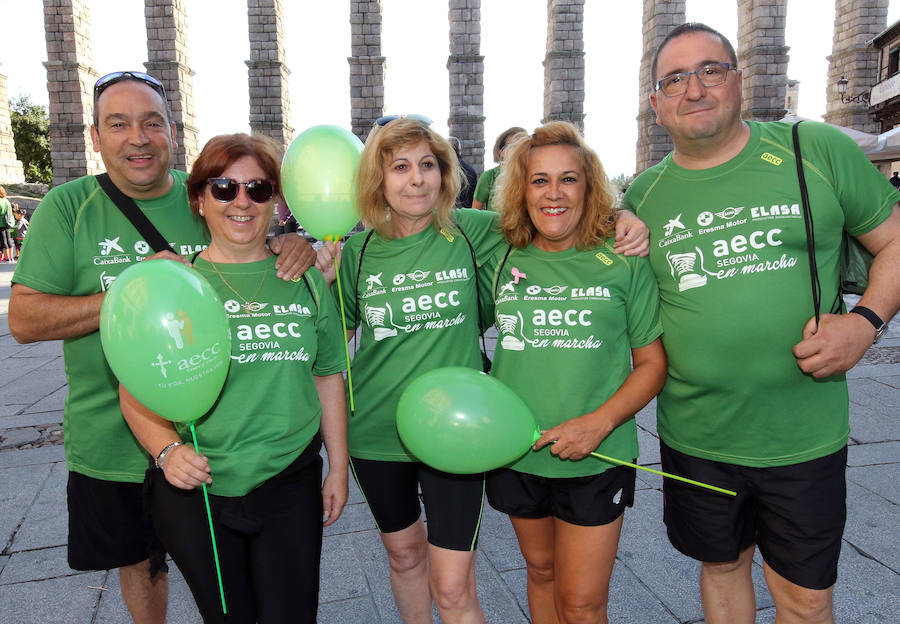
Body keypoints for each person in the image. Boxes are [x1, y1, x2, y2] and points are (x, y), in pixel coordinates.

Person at [7, 70, 315, 624]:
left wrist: (293, 242)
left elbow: (248, 239)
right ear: (95, 136)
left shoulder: (209, 190)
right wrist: (132, 297)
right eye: (118, 124)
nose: (138, 137)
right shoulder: (66, 205)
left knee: (237, 593)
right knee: (142, 570)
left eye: (152, 122)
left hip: (217, 441)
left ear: (173, 131)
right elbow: (25, 320)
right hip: (111, 439)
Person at [316, 118, 651, 624]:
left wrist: (624, 214)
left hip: (460, 431)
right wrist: (291, 251)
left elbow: (553, 212)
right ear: (377, 179)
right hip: (377, 435)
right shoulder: (353, 255)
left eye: (428, 165)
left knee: (452, 586)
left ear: (446, 175)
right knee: (404, 558)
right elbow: (328, 357)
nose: (416, 179)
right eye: (400, 167)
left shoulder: (478, 234)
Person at [623, 23, 900, 624]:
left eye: (710, 70)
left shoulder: (814, 149)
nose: (694, 89)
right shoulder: (643, 195)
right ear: (656, 105)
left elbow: (895, 241)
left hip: (801, 433)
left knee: (805, 600)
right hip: (697, 434)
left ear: (739, 81)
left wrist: (866, 322)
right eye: (675, 79)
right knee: (721, 568)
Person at [120, 133, 348, 624]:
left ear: (276, 202)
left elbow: (328, 373)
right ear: (200, 200)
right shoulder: (172, 284)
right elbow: (136, 386)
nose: (241, 202)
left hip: (289, 478)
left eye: (259, 189)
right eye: (224, 188)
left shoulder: (304, 275)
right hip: (199, 487)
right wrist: (166, 451)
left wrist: (338, 467)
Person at [486, 121, 667, 624]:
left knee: (584, 603)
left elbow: (652, 363)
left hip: (599, 454)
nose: (554, 193)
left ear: (590, 186)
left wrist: (599, 423)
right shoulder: (498, 251)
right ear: (521, 189)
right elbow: (421, 223)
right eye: (539, 180)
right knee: (541, 573)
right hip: (518, 452)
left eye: (569, 178)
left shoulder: (623, 257)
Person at [472, 126, 526, 211]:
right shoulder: (488, 177)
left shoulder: (533, 176)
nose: (518, 149)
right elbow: (475, 213)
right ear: (501, 152)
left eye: (522, 145)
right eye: (512, 145)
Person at [448, 136, 478, 208]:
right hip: (467, 213)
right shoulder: (470, 170)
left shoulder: (443, 168)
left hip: (449, 213)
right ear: (459, 150)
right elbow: (474, 196)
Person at [0, 186, 14, 262]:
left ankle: (6, 258)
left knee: (3, 241)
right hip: (7, 223)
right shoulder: (6, 201)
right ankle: (10, 257)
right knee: (9, 241)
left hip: (1, 223)